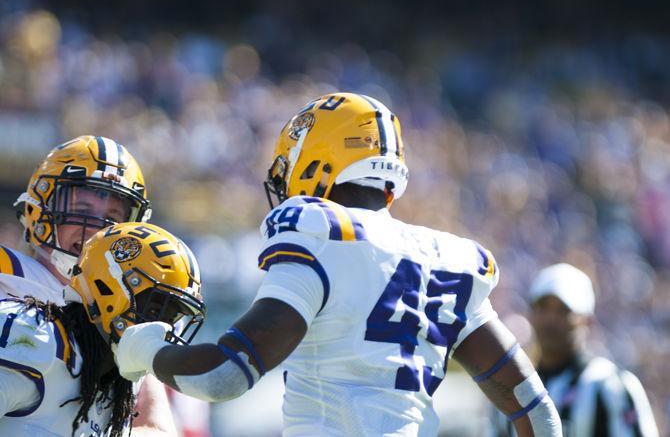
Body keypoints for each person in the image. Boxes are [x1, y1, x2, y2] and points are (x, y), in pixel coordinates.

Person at [113, 93, 562, 436]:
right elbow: (532, 405)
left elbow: (223, 375)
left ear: (317, 158)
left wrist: (143, 350)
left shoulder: (320, 234)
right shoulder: (451, 257)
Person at [0, 135, 175, 435]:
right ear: (40, 210)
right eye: (82, 209)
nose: (95, 227)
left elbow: (155, 427)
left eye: (111, 217)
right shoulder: (8, 280)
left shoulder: (120, 314)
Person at [0, 222, 206, 436]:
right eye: (156, 310)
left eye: (172, 318)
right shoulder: (33, 337)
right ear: (107, 288)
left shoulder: (117, 382)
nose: (165, 330)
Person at [489, 263, 659, 437]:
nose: (550, 319)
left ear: (588, 321)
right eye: (543, 307)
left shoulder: (612, 385)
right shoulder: (512, 388)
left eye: (563, 310)